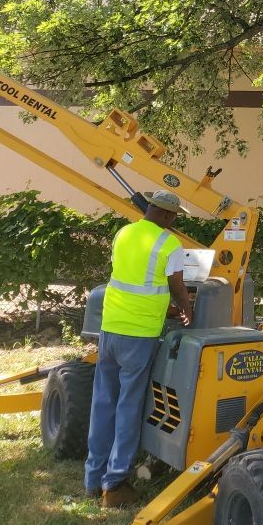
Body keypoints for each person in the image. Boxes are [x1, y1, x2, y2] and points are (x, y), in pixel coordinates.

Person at [84, 190, 193, 508]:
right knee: (128, 406)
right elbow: (176, 286)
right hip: (140, 334)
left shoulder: (123, 233)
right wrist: (185, 309)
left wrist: (167, 308)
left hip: (111, 329)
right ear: (169, 216)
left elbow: (135, 282)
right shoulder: (169, 243)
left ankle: (93, 479)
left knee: (103, 402)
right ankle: (115, 485)